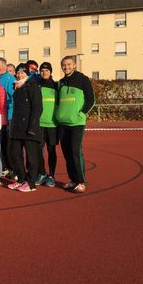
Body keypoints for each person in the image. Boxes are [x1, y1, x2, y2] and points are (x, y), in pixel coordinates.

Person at [56, 56, 95, 193]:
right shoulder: (60, 83)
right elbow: (57, 102)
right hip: (62, 123)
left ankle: (81, 181)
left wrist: (82, 114)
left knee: (75, 151)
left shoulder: (83, 79)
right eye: (64, 65)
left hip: (76, 123)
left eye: (69, 64)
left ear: (74, 65)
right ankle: (73, 180)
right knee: (67, 153)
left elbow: (91, 100)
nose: (66, 67)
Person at [7, 63, 43, 192]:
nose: (20, 75)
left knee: (31, 156)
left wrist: (32, 126)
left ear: (27, 74)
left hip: (29, 128)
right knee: (15, 154)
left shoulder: (32, 86)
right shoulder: (17, 88)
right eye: (18, 73)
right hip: (17, 128)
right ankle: (21, 179)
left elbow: (38, 108)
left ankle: (31, 182)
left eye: (22, 73)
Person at [35, 62, 59, 187]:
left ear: (51, 72)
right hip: (39, 124)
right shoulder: (37, 85)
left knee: (51, 150)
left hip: (52, 124)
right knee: (38, 150)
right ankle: (42, 173)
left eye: (47, 70)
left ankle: (51, 176)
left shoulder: (56, 86)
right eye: (42, 70)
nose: (44, 73)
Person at [0, 57, 16, 177]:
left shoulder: (10, 79)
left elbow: (13, 98)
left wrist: (6, 108)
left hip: (9, 116)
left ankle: (12, 168)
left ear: (5, 66)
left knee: (9, 144)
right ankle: (4, 167)